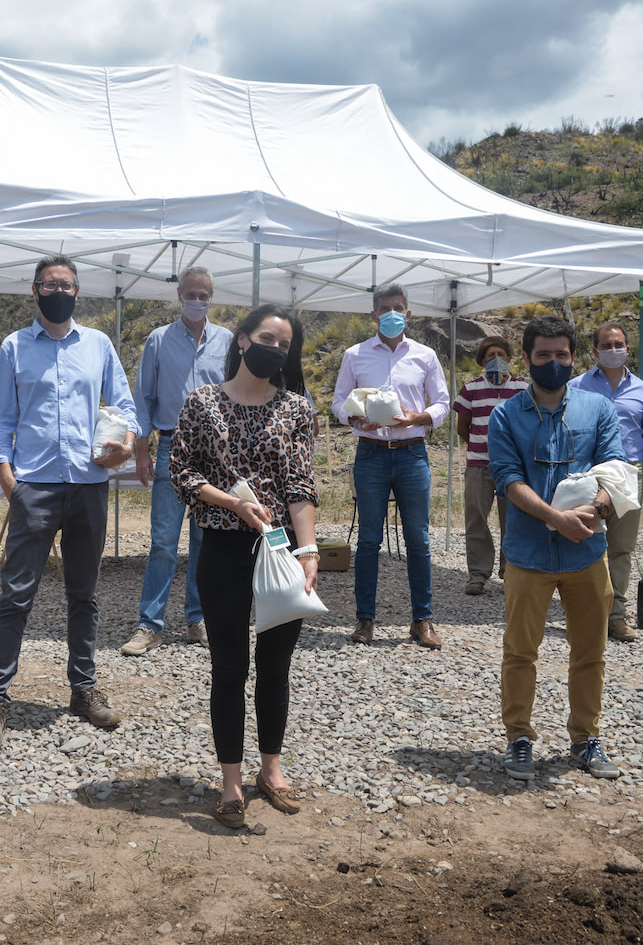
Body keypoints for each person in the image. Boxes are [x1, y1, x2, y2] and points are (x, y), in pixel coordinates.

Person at [0, 255, 139, 751]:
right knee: (16, 595)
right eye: (50, 285)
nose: (59, 291)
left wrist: (126, 445)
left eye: (66, 285)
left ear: (77, 291)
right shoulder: (15, 346)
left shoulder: (98, 344)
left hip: (88, 484)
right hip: (35, 486)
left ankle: (83, 689)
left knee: (84, 594)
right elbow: (2, 418)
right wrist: (6, 474)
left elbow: (124, 406)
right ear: (35, 290)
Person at [169, 305, 319, 830]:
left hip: (279, 549)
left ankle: (271, 770)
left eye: (284, 345)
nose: (274, 350)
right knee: (230, 667)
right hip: (223, 546)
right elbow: (182, 472)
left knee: (276, 665)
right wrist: (232, 503)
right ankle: (230, 781)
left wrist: (309, 551)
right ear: (241, 340)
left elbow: (300, 486)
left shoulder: (296, 409)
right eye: (266, 338)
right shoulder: (202, 402)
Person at [488, 314, 627, 783]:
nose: (553, 362)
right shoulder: (505, 415)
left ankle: (586, 737)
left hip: (586, 552)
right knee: (520, 651)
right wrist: (555, 518)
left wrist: (597, 510)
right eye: (543, 354)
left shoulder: (598, 409)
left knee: (590, 652)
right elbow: (508, 478)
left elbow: (615, 468)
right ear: (527, 359)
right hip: (528, 553)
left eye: (561, 354)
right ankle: (519, 738)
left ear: (574, 357)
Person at [121, 266, 233, 656]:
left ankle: (197, 619)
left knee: (205, 540)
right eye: (191, 294)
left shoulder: (227, 341)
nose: (197, 301)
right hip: (172, 446)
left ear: (211, 298)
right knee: (164, 542)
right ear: (179, 295)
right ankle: (149, 625)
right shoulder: (158, 340)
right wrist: (142, 449)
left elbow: (234, 394)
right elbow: (143, 399)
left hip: (214, 452)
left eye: (204, 295)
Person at [331, 284, 450, 648]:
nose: (392, 314)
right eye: (385, 309)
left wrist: (419, 417)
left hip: (413, 453)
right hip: (371, 454)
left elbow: (443, 403)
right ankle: (365, 620)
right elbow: (338, 402)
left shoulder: (425, 355)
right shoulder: (355, 354)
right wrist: (355, 419)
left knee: (419, 539)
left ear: (408, 314)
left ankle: (422, 620)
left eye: (398, 308)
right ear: (373, 315)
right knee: (369, 540)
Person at [571, 321, 643, 642]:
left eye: (619, 345)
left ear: (628, 348)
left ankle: (616, 616)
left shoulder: (642, 390)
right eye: (607, 345)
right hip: (590, 474)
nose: (614, 350)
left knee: (622, 549)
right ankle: (585, 613)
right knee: (585, 543)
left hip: (629, 474)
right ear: (594, 351)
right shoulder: (576, 387)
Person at [452, 336, 530, 595]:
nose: (496, 359)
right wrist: (482, 445)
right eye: (490, 355)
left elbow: (529, 425)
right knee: (476, 518)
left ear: (509, 357)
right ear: (482, 361)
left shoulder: (523, 388)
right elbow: (462, 427)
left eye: (500, 354)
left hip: (513, 466)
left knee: (514, 519)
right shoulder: (471, 389)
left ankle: (511, 572)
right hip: (479, 464)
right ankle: (478, 573)